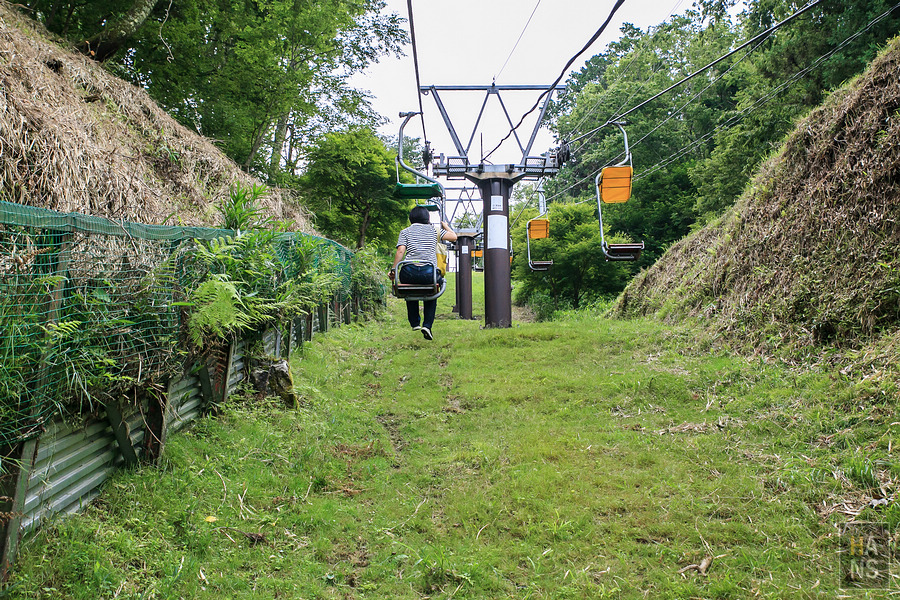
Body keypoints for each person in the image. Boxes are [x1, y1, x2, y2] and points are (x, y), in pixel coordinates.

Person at [390, 206, 457, 340]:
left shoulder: (405, 232)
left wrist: (393, 270)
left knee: (409, 289)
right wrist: (446, 226)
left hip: (408, 272)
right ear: (427, 218)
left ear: (411, 218)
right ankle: (427, 325)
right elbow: (454, 237)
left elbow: (400, 251)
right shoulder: (434, 230)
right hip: (429, 273)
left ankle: (415, 322)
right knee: (432, 291)